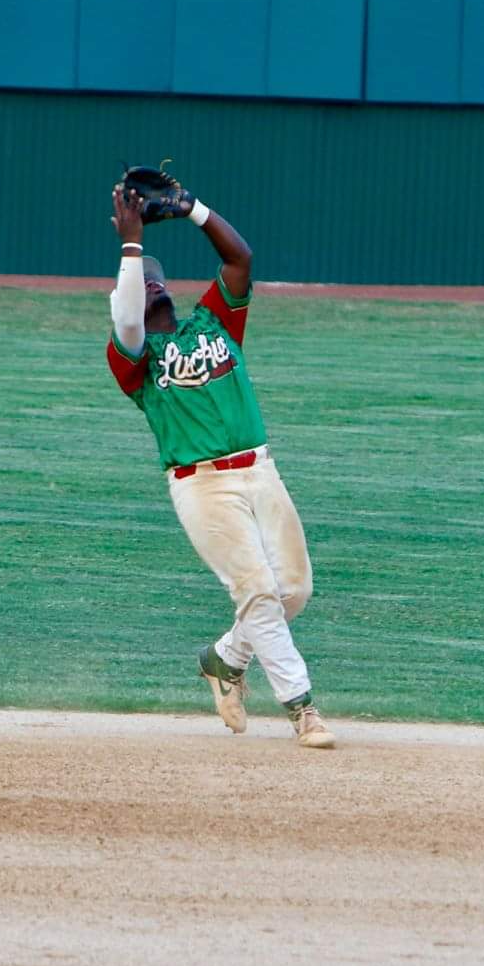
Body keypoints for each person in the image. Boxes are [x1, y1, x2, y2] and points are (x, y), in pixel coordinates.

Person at [106, 179, 335, 748]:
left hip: (260, 471)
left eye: (159, 279)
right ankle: (303, 709)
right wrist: (131, 245)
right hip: (202, 486)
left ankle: (224, 658)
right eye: (142, 282)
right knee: (256, 592)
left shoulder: (214, 322)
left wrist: (194, 211)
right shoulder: (133, 359)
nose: (153, 286)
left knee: (293, 592)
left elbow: (241, 259)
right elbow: (130, 319)